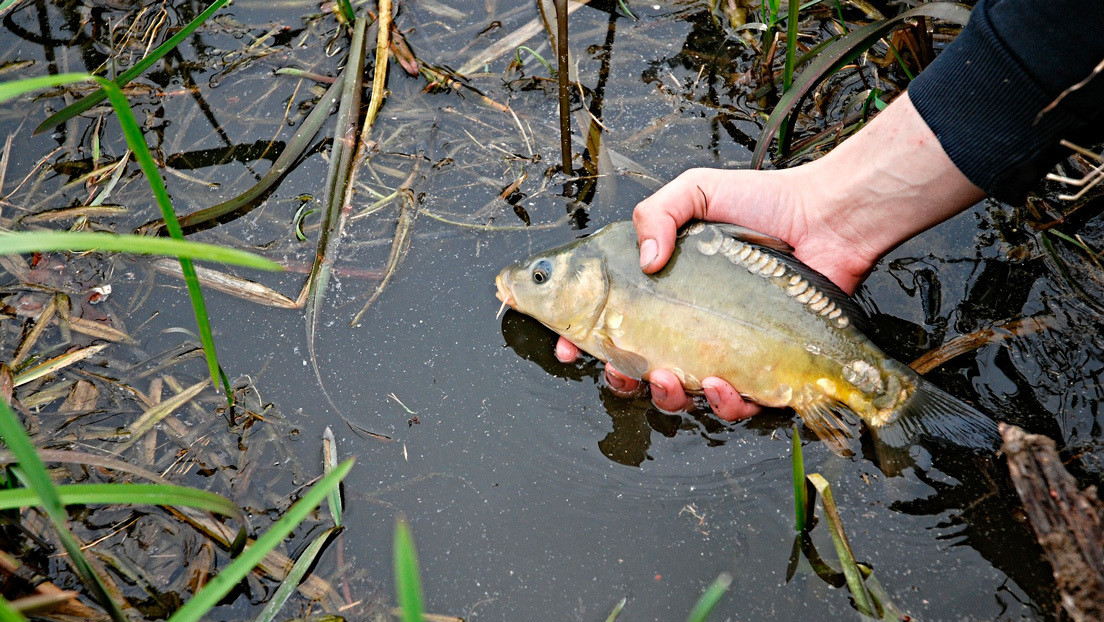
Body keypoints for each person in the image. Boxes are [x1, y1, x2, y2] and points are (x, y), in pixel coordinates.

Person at [555, 0, 1104, 420]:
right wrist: (834, 209)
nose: (533, 281)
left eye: (544, 275)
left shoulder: (615, 257)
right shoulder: (612, 264)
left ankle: (889, 402)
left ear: (588, 279)